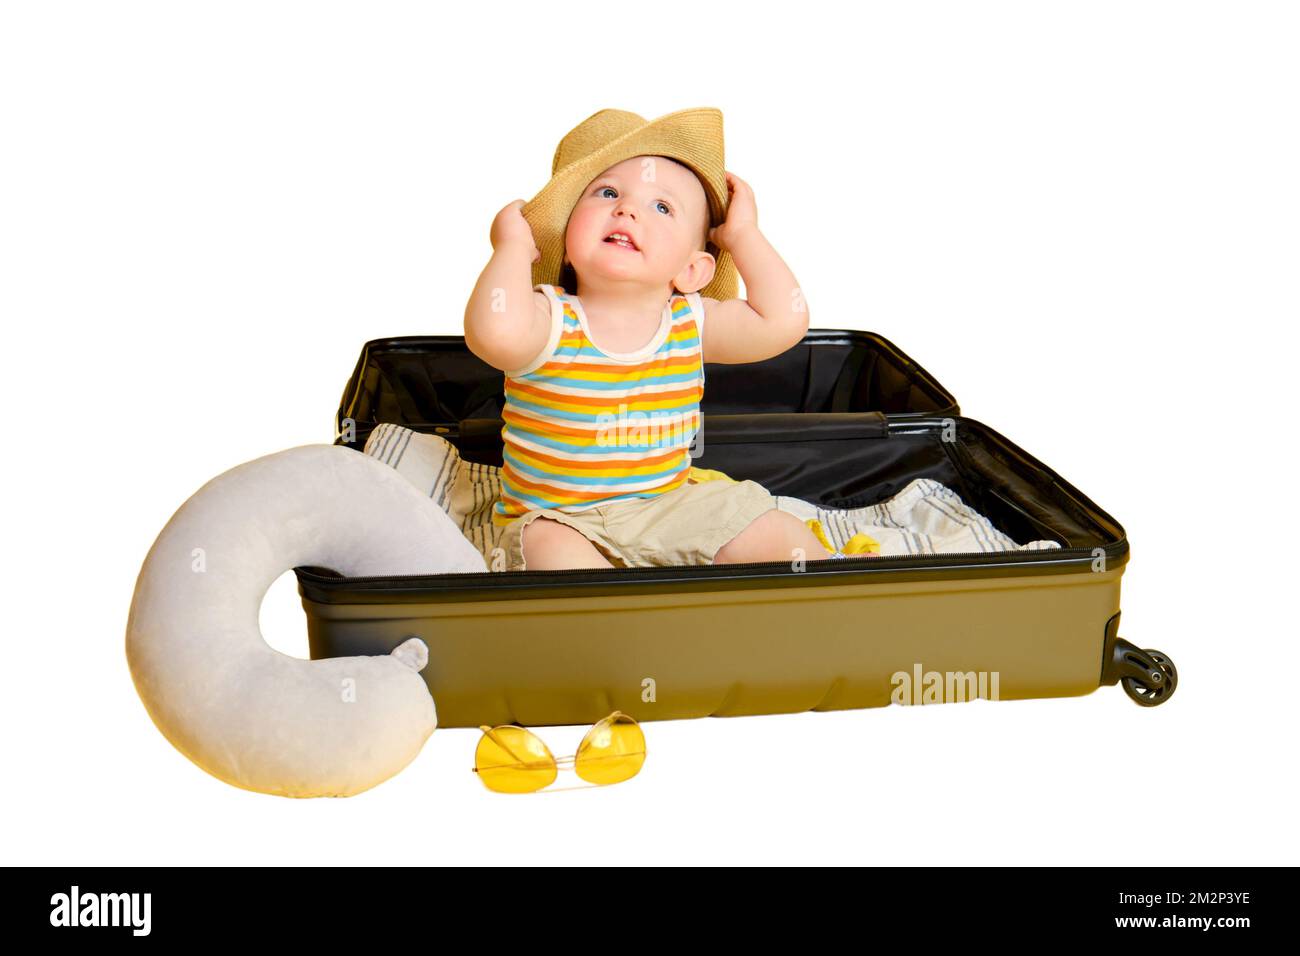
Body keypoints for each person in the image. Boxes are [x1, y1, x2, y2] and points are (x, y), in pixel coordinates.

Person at [464, 108, 845, 571]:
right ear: (565, 241)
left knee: (779, 534)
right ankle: (622, 624)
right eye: (607, 193)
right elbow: (492, 333)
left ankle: (817, 602)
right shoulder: (548, 317)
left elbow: (784, 320)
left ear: (692, 269)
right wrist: (513, 249)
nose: (626, 208)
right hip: (560, 518)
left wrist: (743, 235)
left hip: (669, 508)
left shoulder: (691, 322)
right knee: (550, 555)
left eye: (662, 207)